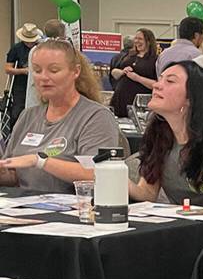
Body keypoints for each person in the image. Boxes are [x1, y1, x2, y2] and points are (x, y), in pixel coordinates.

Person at [0, 39, 119, 193]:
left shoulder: (96, 117)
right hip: (23, 208)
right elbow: (14, 175)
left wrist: (40, 161)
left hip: (72, 211)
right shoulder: (28, 115)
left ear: (75, 71)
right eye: (37, 70)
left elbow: (97, 173)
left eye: (54, 70)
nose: (44, 77)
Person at [131, 60, 203, 211]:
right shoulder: (159, 136)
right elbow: (147, 193)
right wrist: (111, 175)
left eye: (170, 81)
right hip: (178, 227)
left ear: (191, 98)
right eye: (160, 79)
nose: (156, 85)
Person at [110, 28, 160, 117]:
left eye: (140, 39)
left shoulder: (155, 60)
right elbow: (114, 72)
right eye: (136, 39)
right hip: (120, 99)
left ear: (148, 41)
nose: (137, 41)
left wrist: (137, 78)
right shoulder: (129, 55)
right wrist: (122, 72)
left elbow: (157, 84)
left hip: (139, 105)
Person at [5, 23, 41, 125]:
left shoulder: (40, 48)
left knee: (36, 110)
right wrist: (24, 71)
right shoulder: (16, 49)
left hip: (37, 84)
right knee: (17, 112)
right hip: (20, 84)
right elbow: (8, 69)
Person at [25, 19, 65, 111]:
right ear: (62, 33)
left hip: (34, 97)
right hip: (46, 99)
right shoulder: (56, 51)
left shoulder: (35, 49)